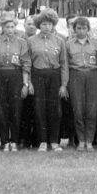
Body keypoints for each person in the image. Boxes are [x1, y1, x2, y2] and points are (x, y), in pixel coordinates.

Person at [27, 8, 69, 151]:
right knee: (39, 109)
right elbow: (28, 64)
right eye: (44, 24)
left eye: (50, 24)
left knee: (55, 109)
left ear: (54, 25)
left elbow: (64, 64)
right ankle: (43, 141)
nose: (47, 27)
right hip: (37, 75)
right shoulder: (31, 41)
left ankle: (54, 141)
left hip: (54, 76)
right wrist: (29, 82)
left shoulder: (60, 41)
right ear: (39, 25)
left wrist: (63, 84)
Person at [0, 11, 30, 151]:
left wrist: (25, 84)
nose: (10, 30)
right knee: (2, 110)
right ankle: (5, 141)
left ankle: (15, 141)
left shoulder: (21, 42)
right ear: (2, 28)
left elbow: (25, 65)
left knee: (16, 109)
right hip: (1, 76)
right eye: (7, 27)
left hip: (16, 76)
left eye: (12, 27)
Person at [66, 16, 97, 150]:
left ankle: (89, 140)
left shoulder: (95, 43)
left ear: (88, 29)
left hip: (92, 75)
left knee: (91, 109)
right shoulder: (68, 44)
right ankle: (81, 140)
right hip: (76, 74)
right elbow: (66, 64)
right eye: (78, 28)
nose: (81, 31)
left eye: (84, 28)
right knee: (78, 109)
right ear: (74, 30)